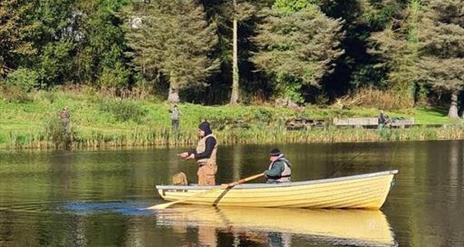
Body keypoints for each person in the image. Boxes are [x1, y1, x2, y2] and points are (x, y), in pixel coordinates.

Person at [178, 121, 218, 185]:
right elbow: (198, 151)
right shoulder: (203, 139)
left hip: (208, 166)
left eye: (200, 130)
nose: (199, 132)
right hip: (202, 167)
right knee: (201, 185)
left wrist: (194, 156)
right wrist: (188, 153)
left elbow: (207, 153)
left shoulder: (210, 139)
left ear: (205, 129)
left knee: (208, 186)